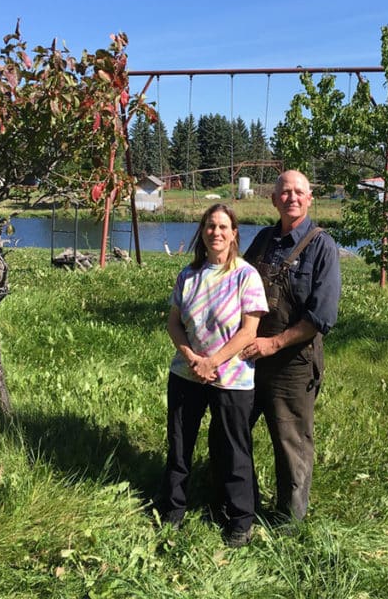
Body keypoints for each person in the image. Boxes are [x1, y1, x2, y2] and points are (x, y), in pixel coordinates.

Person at [155, 203, 268, 547]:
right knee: (179, 445)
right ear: (201, 232)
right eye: (209, 226)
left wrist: (213, 361)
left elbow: (249, 331)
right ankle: (172, 511)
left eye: (222, 227)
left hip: (232, 379)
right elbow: (174, 322)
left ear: (234, 234)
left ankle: (239, 519)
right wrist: (190, 356)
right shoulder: (188, 276)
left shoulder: (245, 275)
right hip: (186, 375)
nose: (215, 233)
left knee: (233, 449)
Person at [241, 170, 340, 522]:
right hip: (250, 359)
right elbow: (237, 286)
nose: (292, 197)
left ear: (310, 198)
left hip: (293, 364)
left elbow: (322, 316)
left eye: (299, 192)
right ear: (273, 199)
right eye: (285, 192)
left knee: (291, 445)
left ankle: (289, 524)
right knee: (233, 431)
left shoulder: (322, 246)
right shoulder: (263, 240)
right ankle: (240, 505)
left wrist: (275, 343)